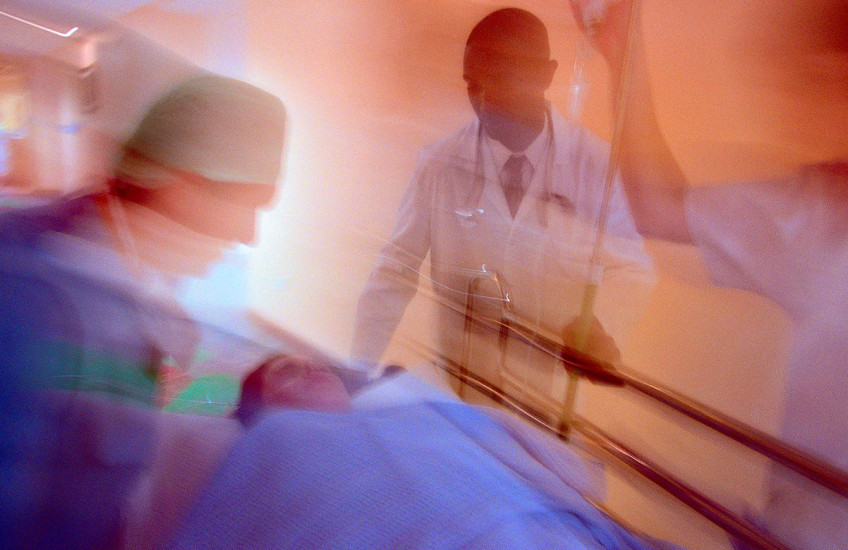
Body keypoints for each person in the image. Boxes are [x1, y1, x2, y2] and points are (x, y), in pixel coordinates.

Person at [567, 0, 848, 547]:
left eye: (823, 73)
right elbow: (658, 204)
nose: (795, 96)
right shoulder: (815, 216)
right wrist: (622, 48)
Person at [0, 73, 286, 549]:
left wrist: (249, 397)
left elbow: (132, 391)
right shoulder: (30, 307)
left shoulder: (122, 274)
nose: (248, 235)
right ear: (184, 184)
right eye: (248, 205)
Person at [351, 8, 654, 404]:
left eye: (503, 80)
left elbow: (634, 268)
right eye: (473, 85)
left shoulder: (595, 165)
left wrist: (598, 326)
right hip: (457, 392)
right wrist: (355, 372)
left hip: (543, 401)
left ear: (546, 74)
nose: (485, 101)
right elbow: (394, 274)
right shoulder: (439, 164)